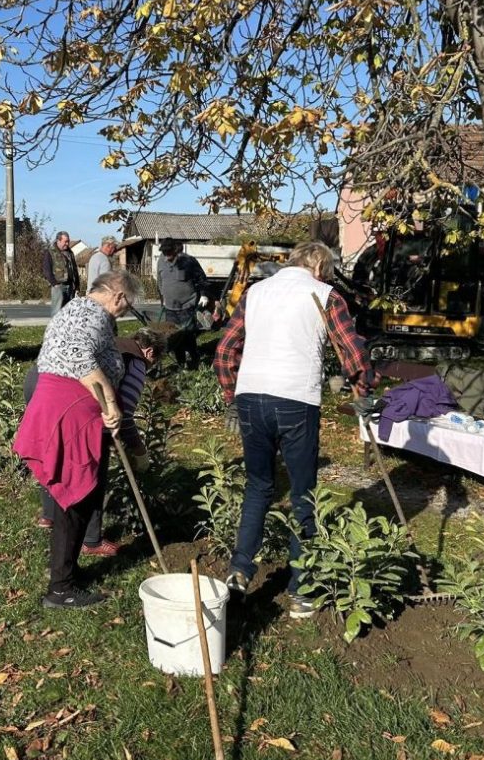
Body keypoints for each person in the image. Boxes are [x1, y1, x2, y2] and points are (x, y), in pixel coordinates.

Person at [212, 241, 372, 618]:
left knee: (258, 486)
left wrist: (231, 395)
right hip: (296, 400)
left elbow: (224, 351)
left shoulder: (256, 293)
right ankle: (302, 591)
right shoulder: (325, 295)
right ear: (319, 267)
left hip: (252, 397)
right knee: (303, 494)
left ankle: (239, 570)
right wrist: (363, 390)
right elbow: (353, 352)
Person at [12, 269, 140, 609]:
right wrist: (110, 402)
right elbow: (76, 356)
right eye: (127, 304)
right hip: (69, 412)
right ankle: (61, 588)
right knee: (74, 498)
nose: (125, 311)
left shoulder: (83, 311)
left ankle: (67, 574)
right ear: (118, 295)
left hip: (73, 410)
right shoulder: (88, 312)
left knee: (80, 496)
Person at [25, 326, 166, 555]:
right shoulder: (136, 361)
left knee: (52, 449)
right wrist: (139, 451)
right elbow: (125, 414)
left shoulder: (115, 343)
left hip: (37, 379)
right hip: (63, 393)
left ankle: (49, 516)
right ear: (150, 352)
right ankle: (91, 541)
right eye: (155, 363)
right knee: (93, 465)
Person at [155, 238, 209, 367]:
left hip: (187, 305)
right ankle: (181, 363)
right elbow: (160, 281)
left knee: (188, 336)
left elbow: (202, 279)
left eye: (169, 252)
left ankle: (195, 361)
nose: (166, 256)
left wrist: (204, 295)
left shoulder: (188, 261)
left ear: (176, 250)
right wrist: (162, 299)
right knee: (174, 337)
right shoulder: (161, 261)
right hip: (169, 308)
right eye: (164, 252)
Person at [42, 231, 80, 316]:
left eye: (68, 241)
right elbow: (46, 270)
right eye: (65, 241)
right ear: (58, 241)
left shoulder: (70, 253)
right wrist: (55, 284)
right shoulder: (50, 252)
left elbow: (75, 269)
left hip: (70, 287)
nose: (67, 244)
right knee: (57, 312)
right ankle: (55, 329)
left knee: (69, 312)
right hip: (59, 286)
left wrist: (77, 285)